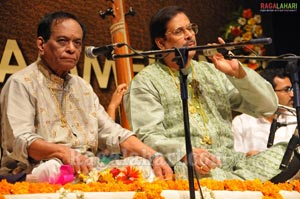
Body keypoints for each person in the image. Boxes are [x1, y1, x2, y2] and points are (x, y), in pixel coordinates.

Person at [0, 11, 173, 183]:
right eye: (62, 41)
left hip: (88, 169)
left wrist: (154, 156)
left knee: (142, 167)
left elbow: (112, 132)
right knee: (53, 169)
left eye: (77, 43)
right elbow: (20, 140)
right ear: (41, 44)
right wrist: (63, 153)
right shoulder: (22, 83)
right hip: (39, 168)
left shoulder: (82, 87)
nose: (71, 49)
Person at [124, 6, 292, 181]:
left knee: (291, 152)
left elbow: (267, 108)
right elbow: (148, 136)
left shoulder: (213, 72)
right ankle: (240, 183)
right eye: (179, 31)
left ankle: (234, 182)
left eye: (190, 28)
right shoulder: (146, 81)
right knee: (189, 172)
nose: (189, 35)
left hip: (231, 161)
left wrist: (239, 74)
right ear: (161, 43)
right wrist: (186, 153)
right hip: (190, 164)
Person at [232, 63, 296, 156]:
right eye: (286, 90)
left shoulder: (294, 119)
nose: (292, 95)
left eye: (292, 89)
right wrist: (247, 156)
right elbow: (234, 156)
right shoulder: (241, 122)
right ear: (269, 93)